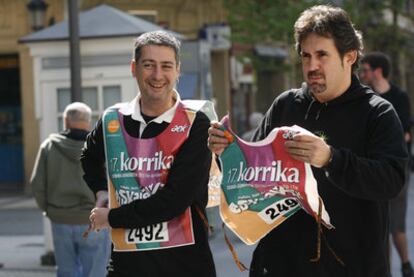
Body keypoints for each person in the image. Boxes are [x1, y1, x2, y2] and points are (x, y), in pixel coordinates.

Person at [208, 5, 408, 277]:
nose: (311, 66)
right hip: (281, 264)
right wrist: (225, 151)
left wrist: (331, 159)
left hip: (351, 265)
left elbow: (391, 181)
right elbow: (249, 173)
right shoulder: (285, 105)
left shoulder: (377, 112)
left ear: (349, 57)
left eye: (322, 55)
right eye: (305, 56)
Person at [80, 30, 216, 277]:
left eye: (166, 66)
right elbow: (88, 157)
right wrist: (101, 191)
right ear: (134, 68)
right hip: (127, 265)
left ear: (177, 71)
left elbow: (174, 200)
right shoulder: (113, 120)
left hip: (184, 265)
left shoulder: (196, 123)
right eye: (148, 65)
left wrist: (111, 217)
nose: (157, 75)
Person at [31, 102, 110, 277]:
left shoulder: (49, 146)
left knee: (66, 271)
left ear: (66, 121)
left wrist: (50, 210)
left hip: (60, 218)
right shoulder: (100, 147)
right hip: (94, 218)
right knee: (96, 271)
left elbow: (37, 185)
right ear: (89, 122)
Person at [360, 52, 413, 277]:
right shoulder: (366, 98)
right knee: (379, 226)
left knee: (396, 226)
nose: (362, 75)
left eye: (365, 70)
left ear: (377, 71)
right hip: (372, 169)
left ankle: (405, 264)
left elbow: (406, 135)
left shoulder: (399, 97)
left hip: (395, 169)